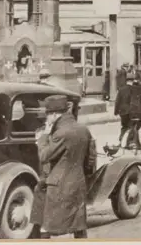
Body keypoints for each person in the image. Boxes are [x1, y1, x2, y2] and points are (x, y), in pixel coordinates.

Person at [34, 95, 96, 239]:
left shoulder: (60, 133)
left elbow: (44, 156)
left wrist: (43, 137)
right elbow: (90, 159)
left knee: (45, 226)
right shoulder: (83, 129)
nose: (46, 119)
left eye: (47, 115)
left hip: (58, 187)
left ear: (54, 115)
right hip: (78, 184)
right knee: (79, 227)